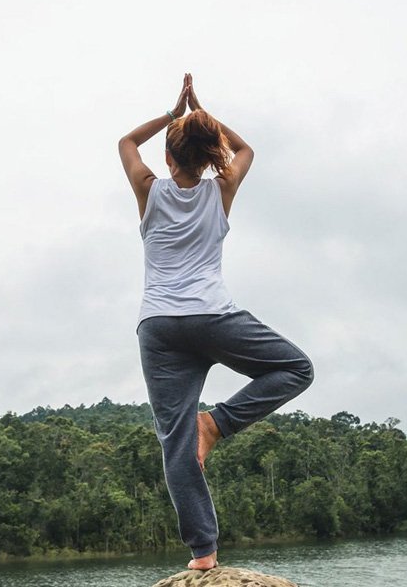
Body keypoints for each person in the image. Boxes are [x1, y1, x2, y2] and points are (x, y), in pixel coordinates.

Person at [118, 74, 314, 570]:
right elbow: (245, 148)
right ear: (210, 157)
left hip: (159, 326)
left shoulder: (148, 189)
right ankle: (217, 424)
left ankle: (203, 555)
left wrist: (173, 113)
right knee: (296, 369)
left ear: (167, 157)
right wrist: (203, 115)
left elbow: (124, 142)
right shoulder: (221, 188)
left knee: (174, 441)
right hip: (212, 316)